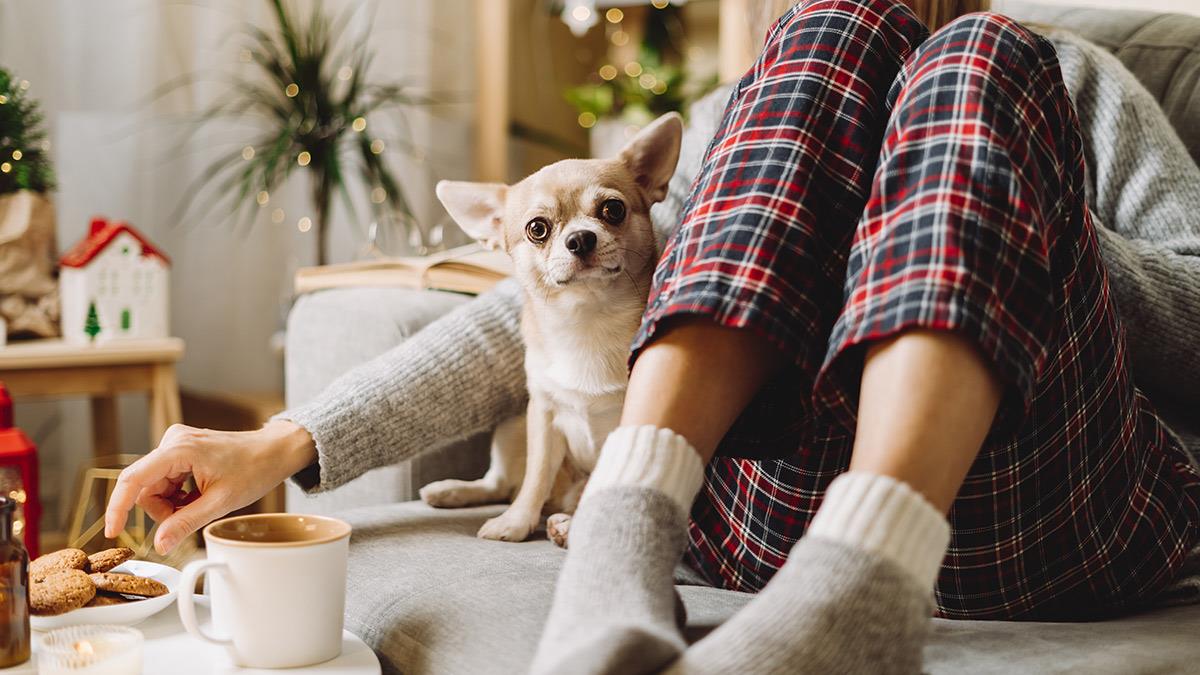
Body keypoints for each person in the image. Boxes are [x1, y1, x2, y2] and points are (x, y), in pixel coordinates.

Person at [106, 0, 1200, 671]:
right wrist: (282, 444)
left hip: (1049, 501)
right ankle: (623, 553)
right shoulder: (787, 94)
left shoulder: (1079, 84)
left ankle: (866, 583)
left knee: (976, 57)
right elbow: (542, 319)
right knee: (836, 25)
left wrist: (1006, 229)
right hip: (774, 507)